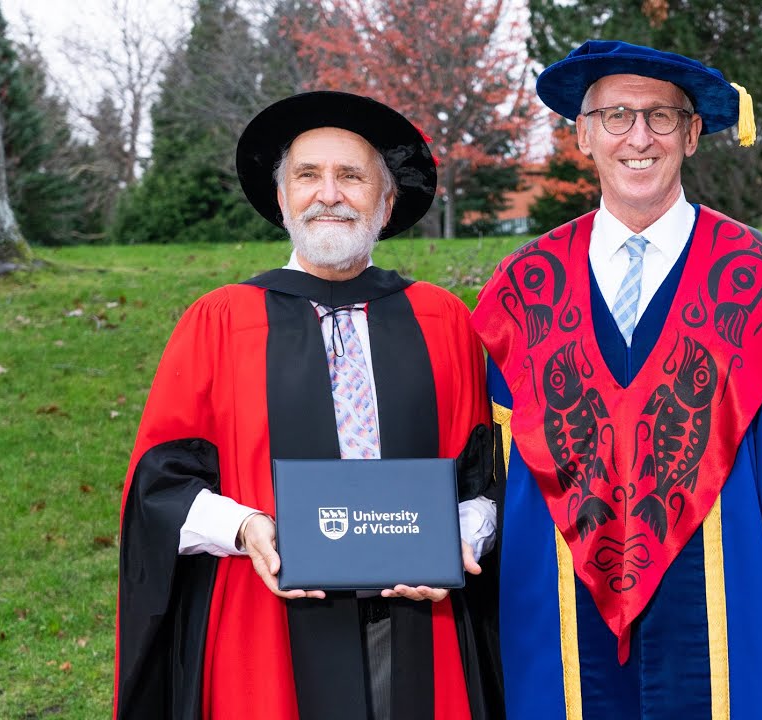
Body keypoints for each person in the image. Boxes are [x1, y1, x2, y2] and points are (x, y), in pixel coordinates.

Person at [471, 40, 762, 720]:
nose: (638, 137)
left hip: (729, 642)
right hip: (556, 644)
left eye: (662, 117)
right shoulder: (523, 292)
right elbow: (492, 490)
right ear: (582, 134)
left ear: (694, 133)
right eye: (615, 116)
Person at [113, 91, 497, 720]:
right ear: (282, 198)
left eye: (351, 176)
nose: (329, 193)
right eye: (308, 175)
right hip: (263, 619)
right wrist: (244, 529)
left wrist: (461, 535)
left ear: (387, 200)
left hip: (422, 624)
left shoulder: (444, 321)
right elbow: (159, 484)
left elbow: (484, 478)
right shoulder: (218, 322)